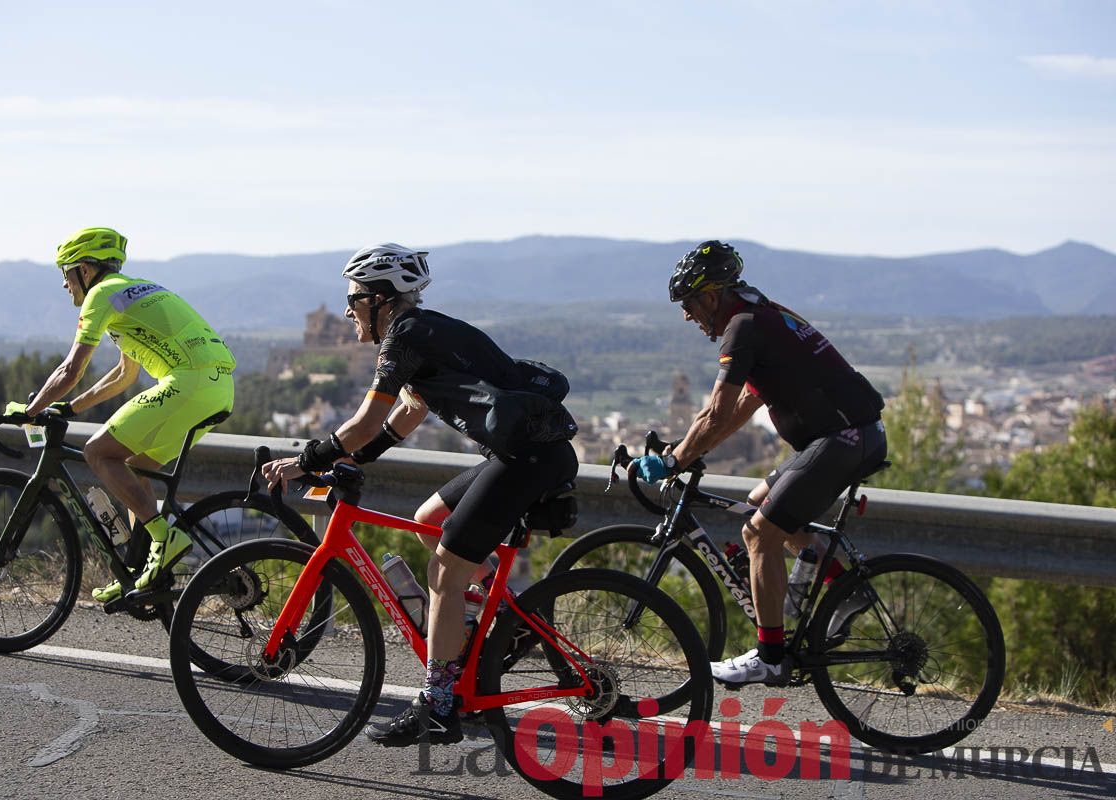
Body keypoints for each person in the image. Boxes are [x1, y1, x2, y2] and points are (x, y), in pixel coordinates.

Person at [260, 242, 578, 746]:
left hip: (527, 459)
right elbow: (405, 414)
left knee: (446, 569)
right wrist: (354, 459)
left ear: (380, 299)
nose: (347, 309)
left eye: (354, 297)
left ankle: (438, 702)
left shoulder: (405, 335)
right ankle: (513, 621)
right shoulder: (423, 332)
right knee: (431, 518)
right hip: (522, 453)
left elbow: (365, 421)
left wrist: (308, 460)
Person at [631, 240, 886, 687]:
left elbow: (715, 413)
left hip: (842, 439)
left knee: (758, 533)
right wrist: (692, 447)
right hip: (851, 436)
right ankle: (841, 586)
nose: (687, 316)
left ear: (711, 295)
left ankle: (770, 657)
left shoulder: (742, 327)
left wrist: (674, 459)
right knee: (757, 501)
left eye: (690, 304)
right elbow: (744, 405)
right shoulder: (765, 314)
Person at [6, 227, 236, 601]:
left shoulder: (100, 295)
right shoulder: (132, 290)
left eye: (65, 273)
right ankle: (139, 569)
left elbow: (71, 369)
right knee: (132, 466)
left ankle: (165, 537)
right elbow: (124, 375)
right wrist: (70, 407)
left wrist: (32, 410)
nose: (64, 284)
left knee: (98, 453)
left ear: (84, 269)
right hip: (218, 387)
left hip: (188, 382)